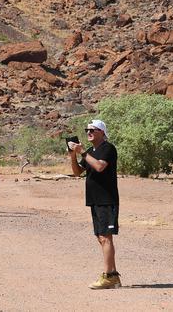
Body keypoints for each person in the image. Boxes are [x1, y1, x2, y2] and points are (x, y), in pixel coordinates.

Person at [68, 119, 121, 289]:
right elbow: (77, 172)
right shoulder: (91, 151)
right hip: (94, 199)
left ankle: (108, 276)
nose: (89, 132)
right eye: (87, 130)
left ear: (102, 132)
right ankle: (113, 275)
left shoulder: (108, 148)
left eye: (92, 130)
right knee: (101, 237)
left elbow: (99, 167)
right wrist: (73, 155)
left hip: (106, 199)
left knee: (106, 237)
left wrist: (82, 152)